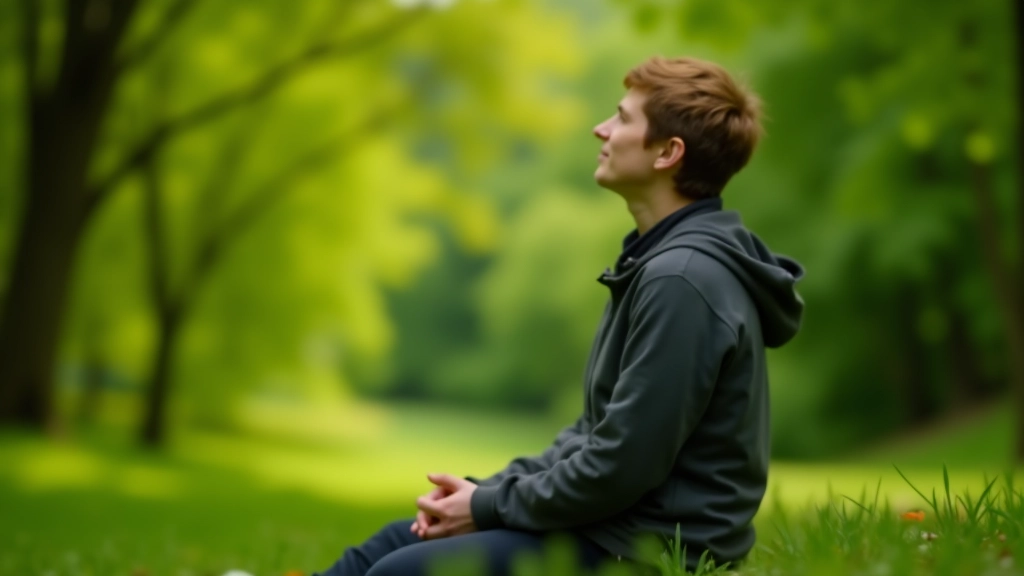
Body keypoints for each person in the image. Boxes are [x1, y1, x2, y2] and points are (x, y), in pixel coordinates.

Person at [314, 55, 804, 576]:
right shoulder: (657, 261)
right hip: (611, 527)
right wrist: (486, 493)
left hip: (650, 554)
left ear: (667, 152)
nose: (602, 128)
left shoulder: (682, 280)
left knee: (402, 573)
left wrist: (486, 508)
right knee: (394, 542)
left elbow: (621, 467)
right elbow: (591, 437)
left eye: (621, 118)